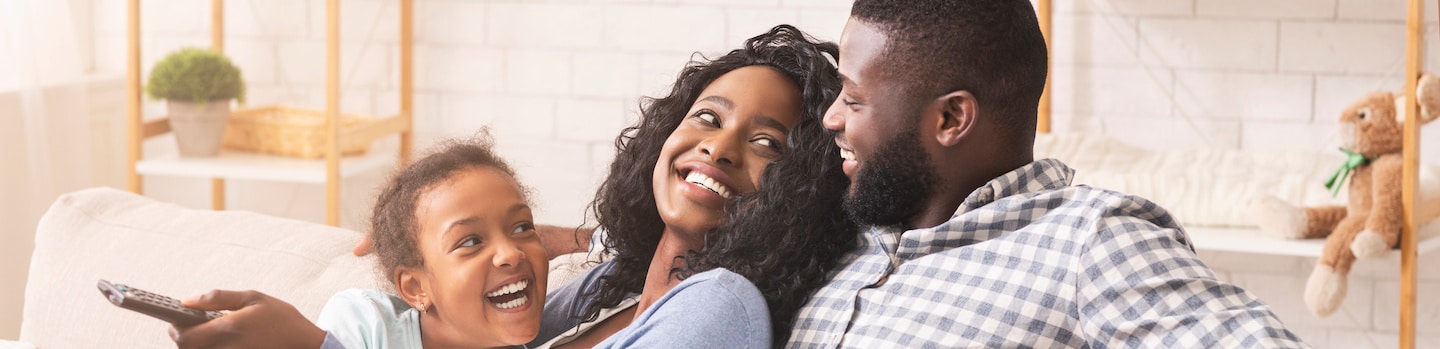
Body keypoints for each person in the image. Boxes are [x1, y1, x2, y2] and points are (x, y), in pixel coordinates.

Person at [778, 0, 1308, 347]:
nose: (833, 118)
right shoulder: (843, 225)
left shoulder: (1090, 242)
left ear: (950, 118)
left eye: (853, 98)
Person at [531, 24, 854, 348]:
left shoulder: (719, 306)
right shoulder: (610, 286)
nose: (718, 148)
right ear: (664, 135)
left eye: (766, 142)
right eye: (709, 119)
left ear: (803, 191)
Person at [173, 136, 552, 349]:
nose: (510, 252)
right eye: (470, 240)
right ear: (416, 287)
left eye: (521, 228)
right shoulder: (367, 324)